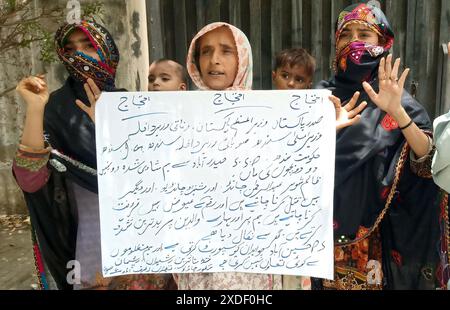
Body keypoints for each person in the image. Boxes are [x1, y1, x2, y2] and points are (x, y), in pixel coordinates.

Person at [13, 20, 175, 290]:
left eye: (89, 46)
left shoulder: (134, 107)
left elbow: (157, 180)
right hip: (90, 249)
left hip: (142, 245)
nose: (79, 55)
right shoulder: (53, 110)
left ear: (107, 52)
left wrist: (109, 129)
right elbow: (30, 180)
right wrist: (34, 109)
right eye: (70, 48)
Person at [314, 3, 448, 290]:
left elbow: (427, 163)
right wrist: (325, 130)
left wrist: (397, 112)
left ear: (384, 43)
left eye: (365, 34)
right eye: (345, 34)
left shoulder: (400, 104)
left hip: (377, 246)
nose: (353, 42)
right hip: (320, 241)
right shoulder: (318, 99)